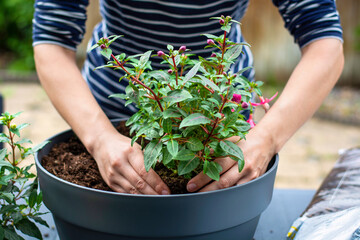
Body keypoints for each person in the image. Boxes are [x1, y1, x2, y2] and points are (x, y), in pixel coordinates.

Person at [32, 0, 344, 194]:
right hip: (114, 123)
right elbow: (51, 38)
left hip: (219, 123)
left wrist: (267, 138)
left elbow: (325, 43)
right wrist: (99, 138)